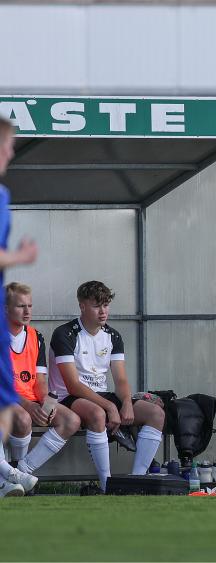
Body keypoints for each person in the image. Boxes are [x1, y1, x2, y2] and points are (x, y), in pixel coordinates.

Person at [48, 281, 165, 493]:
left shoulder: (113, 336)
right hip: (68, 397)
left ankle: (136, 484)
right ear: (82, 306)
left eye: (106, 305)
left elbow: (120, 379)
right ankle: (107, 486)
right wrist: (111, 407)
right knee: (97, 413)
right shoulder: (64, 334)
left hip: (100, 395)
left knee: (155, 414)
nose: (103, 311)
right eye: (96, 306)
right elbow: (73, 385)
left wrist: (127, 403)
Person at [1, 283, 81, 495]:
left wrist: (46, 402)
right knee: (23, 418)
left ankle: (21, 471)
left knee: (71, 420)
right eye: (20, 306)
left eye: (30, 305)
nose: (27, 311)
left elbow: (40, 379)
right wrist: (28, 405)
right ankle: (13, 474)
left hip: (29, 399)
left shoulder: (36, 336)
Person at [0, 117, 40, 497]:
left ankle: (6, 475)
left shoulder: (3, 196)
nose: (12, 152)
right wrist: (20, 256)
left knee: (4, 403)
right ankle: (10, 474)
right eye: (8, 145)